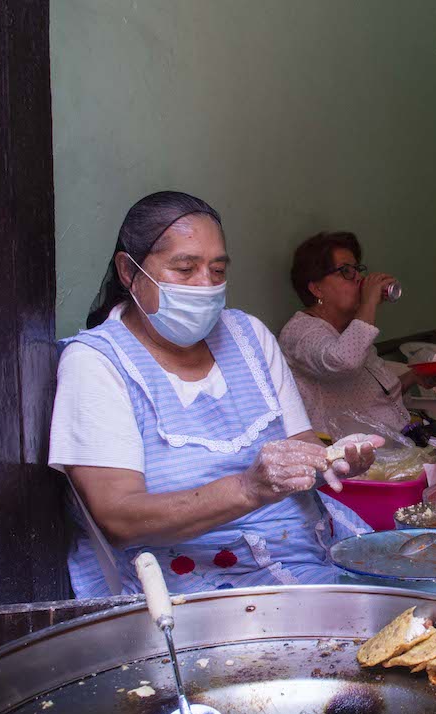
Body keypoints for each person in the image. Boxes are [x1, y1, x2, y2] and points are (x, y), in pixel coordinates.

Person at [49, 192, 382, 598]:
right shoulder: (96, 364)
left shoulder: (249, 337)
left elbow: (302, 447)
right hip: (190, 584)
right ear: (128, 271)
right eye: (185, 269)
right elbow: (119, 518)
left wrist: (333, 459)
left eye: (218, 271)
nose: (205, 286)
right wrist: (247, 488)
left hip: (308, 549)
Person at [279, 231, 436, 434]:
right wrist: (368, 302)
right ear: (317, 289)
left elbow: (375, 400)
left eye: (357, 269)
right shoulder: (300, 331)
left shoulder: (350, 329)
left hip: (400, 439)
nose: (359, 278)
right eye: (346, 271)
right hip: (356, 456)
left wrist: (414, 377)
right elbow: (344, 362)